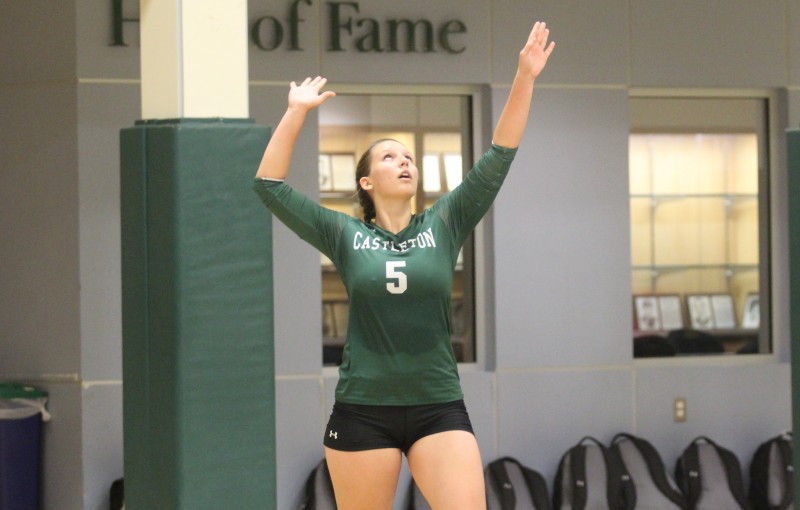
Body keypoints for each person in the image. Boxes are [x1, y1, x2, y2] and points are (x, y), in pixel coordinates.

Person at [254, 21, 554, 510]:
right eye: (390, 157)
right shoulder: (344, 233)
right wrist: (295, 112)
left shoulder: (446, 220)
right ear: (367, 182)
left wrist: (524, 77)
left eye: (409, 157)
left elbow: (500, 154)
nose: (404, 161)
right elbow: (269, 186)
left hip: (438, 404)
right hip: (363, 409)